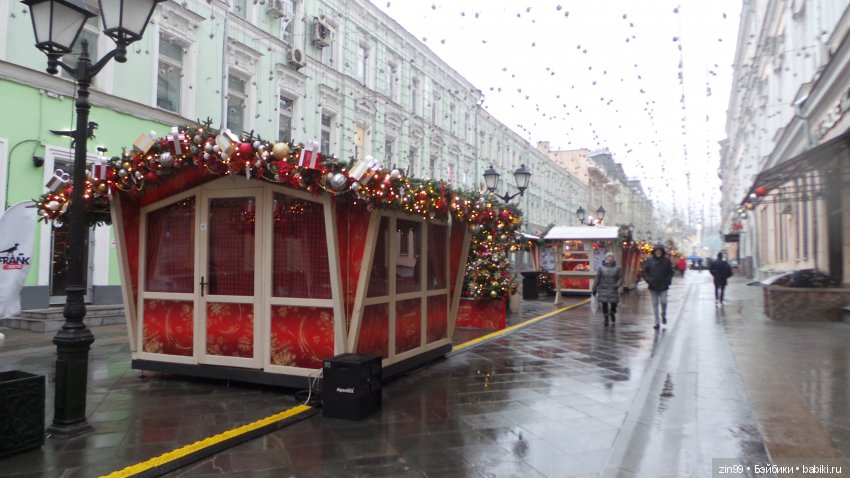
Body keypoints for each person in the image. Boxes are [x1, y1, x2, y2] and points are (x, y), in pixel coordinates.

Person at [643, 243, 674, 330]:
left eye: (660, 251)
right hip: (653, 286)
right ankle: (657, 322)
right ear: (654, 251)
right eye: (657, 250)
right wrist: (649, 280)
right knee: (655, 304)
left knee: (664, 302)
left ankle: (663, 314)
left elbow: (671, 272)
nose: (658, 252)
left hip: (663, 285)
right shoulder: (649, 260)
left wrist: (668, 281)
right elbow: (645, 271)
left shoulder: (666, 261)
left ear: (662, 251)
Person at [593, 252, 623, 326]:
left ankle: (612, 312)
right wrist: (594, 288)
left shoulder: (617, 268)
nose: (610, 259)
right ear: (605, 258)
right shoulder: (601, 268)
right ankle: (606, 318)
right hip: (603, 288)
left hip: (613, 288)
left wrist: (617, 285)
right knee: (604, 304)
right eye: (608, 257)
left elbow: (620, 278)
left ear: (613, 259)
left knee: (614, 303)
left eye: (611, 257)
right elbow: (597, 278)